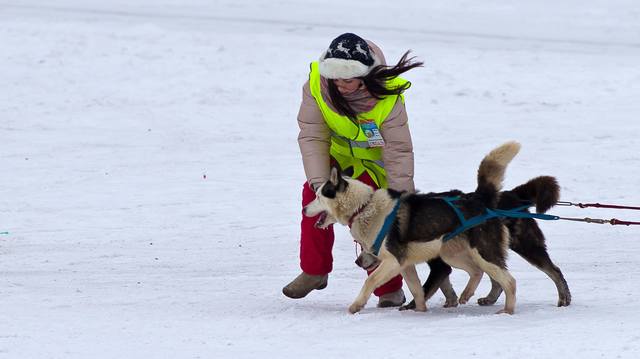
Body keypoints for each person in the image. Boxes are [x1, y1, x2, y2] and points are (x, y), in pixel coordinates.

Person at [283, 33, 422, 307]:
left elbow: (398, 150)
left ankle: (388, 288)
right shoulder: (316, 85)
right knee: (314, 198)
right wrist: (320, 183)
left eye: (347, 79)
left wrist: (400, 198)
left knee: (371, 214)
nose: (340, 85)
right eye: (335, 78)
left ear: (365, 75)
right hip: (337, 160)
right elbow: (312, 135)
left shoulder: (389, 95)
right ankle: (314, 270)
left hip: (374, 164)